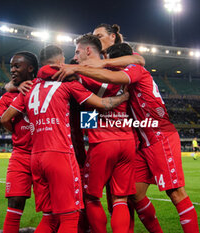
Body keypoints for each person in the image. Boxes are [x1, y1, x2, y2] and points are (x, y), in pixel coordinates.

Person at [53, 42, 199, 233]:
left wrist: (79, 69)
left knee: (175, 192)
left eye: (78, 51)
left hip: (158, 135)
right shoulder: (114, 79)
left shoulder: (132, 70)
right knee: (133, 196)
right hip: (135, 141)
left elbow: (128, 66)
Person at [0, 47, 130, 233]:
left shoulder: (29, 87)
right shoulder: (71, 84)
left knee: (50, 217)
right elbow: (100, 105)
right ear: (61, 62)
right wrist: (125, 96)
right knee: (74, 213)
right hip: (65, 153)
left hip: (37, 156)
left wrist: (23, 130)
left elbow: (5, 118)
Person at [73, 34, 136, 233]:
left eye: (77, 51)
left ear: (88, 51)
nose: (75, 57)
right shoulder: (122, 71)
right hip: (126, 140)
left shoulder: (83, 74)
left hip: (103, 141)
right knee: (120, 200)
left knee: (91, 196)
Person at [0, 51, 38, 233]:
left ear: (30, 68)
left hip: (44, 154)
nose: (12, 70)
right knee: (15, 203)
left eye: (17, 66)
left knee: (52, 207)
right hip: (21, 155)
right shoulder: (7, 97)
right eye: (11, 67)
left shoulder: (42, 88)